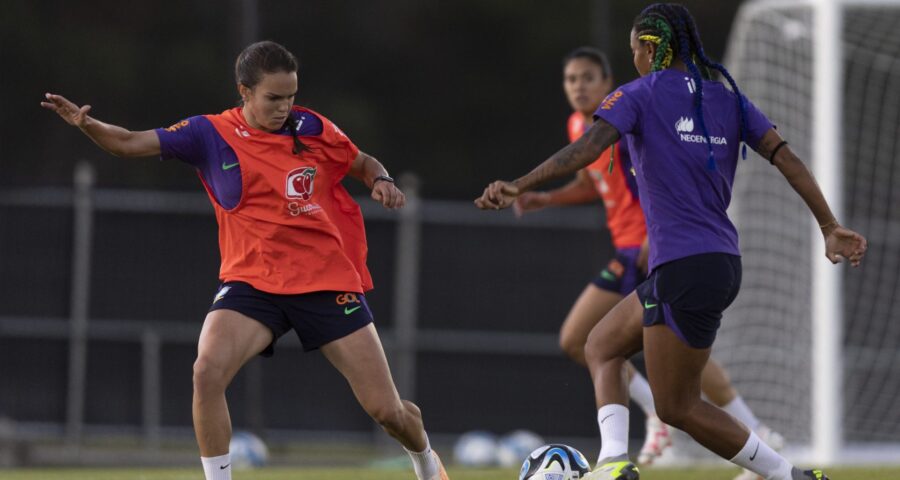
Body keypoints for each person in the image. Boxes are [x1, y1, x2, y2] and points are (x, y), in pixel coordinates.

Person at [475, 4, 866, 480]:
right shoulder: (729, 100)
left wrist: (521, 183)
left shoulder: (638, 94)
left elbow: (587, 150)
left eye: (635, 48)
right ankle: (614, 462)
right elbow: (788, 160)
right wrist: (828, 226)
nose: (634, 58)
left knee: (678, 406)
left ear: (649, 47)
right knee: (601, 345)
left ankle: (788, 476)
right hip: (718, 262)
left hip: (683, 265)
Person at [42, 40, 448, 480]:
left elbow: (362, 161)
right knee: (206, 371)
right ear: (245, 91)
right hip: (253, 283)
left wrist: (382, 179)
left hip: (325, 280)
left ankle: (427, 462)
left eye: (291, 97)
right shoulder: (208, 133)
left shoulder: (312, 127)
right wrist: (87, 125)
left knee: (387, 411)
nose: (285, 108)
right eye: (274, 98)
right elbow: (126, 143)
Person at [515, 46, 784, 477]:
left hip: (648, 248)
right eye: (571, 80)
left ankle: (648, 425)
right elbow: (592, 182)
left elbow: (656, 181)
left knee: (588, 340)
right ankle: (751, 431)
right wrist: (548, 197)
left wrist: (647, 236)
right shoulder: (578, 125)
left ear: (608, 84)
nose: (579, 87)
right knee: (667, 349)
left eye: (588, 78)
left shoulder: (623, 120)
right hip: (633, 248)